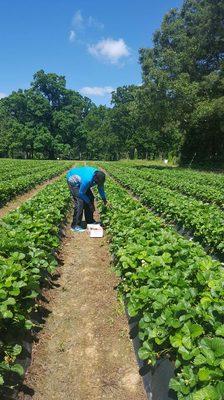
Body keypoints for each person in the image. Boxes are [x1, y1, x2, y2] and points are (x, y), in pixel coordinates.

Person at [66, 166, 107, 232]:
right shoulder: (87, 179)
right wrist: (89, 203)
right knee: (80, 202)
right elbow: (81, 193)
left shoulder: (100, 178)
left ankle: (90, 221)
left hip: (82, 180)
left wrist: (104, 199)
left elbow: (100, 189)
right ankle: (75, 225)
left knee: (91, 197)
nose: (97, 184)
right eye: (96, 183)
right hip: (73, 180)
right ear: (94, 179)